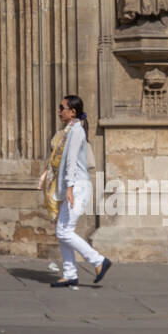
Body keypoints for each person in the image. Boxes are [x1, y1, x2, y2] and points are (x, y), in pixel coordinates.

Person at [37, 95, 113, 289]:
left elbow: (71, 161)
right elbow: (58, 159)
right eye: (59, 107)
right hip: (70, 186)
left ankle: (98, 261)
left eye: (62, 107)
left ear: (73, 112)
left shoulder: (76, 131)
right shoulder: (66, 131)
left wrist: (69, 188)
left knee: (64, 231)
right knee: (62, 231)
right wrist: (46, 174)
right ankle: (70, 274)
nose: (59, 110)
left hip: (77, 186)